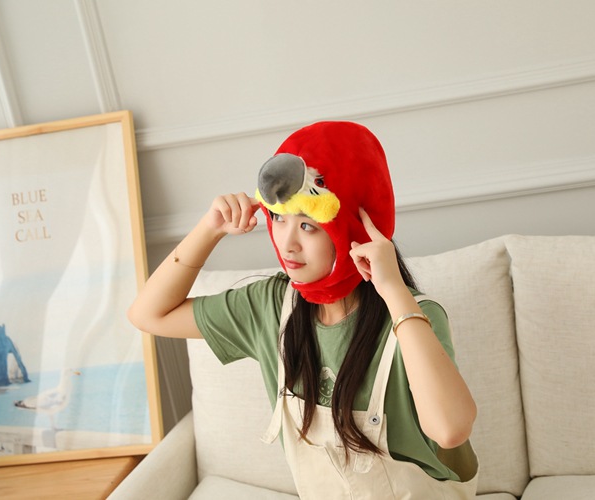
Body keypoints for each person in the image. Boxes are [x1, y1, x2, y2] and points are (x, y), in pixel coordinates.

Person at [128, 121, 479, 499]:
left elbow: (449, 430)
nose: (287, 244)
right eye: (279, 219)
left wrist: (393, 291)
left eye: (309, 226)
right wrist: (209, 228)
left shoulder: (414, 315)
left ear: (356, 227)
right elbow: (148, 315)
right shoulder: (270, 306)